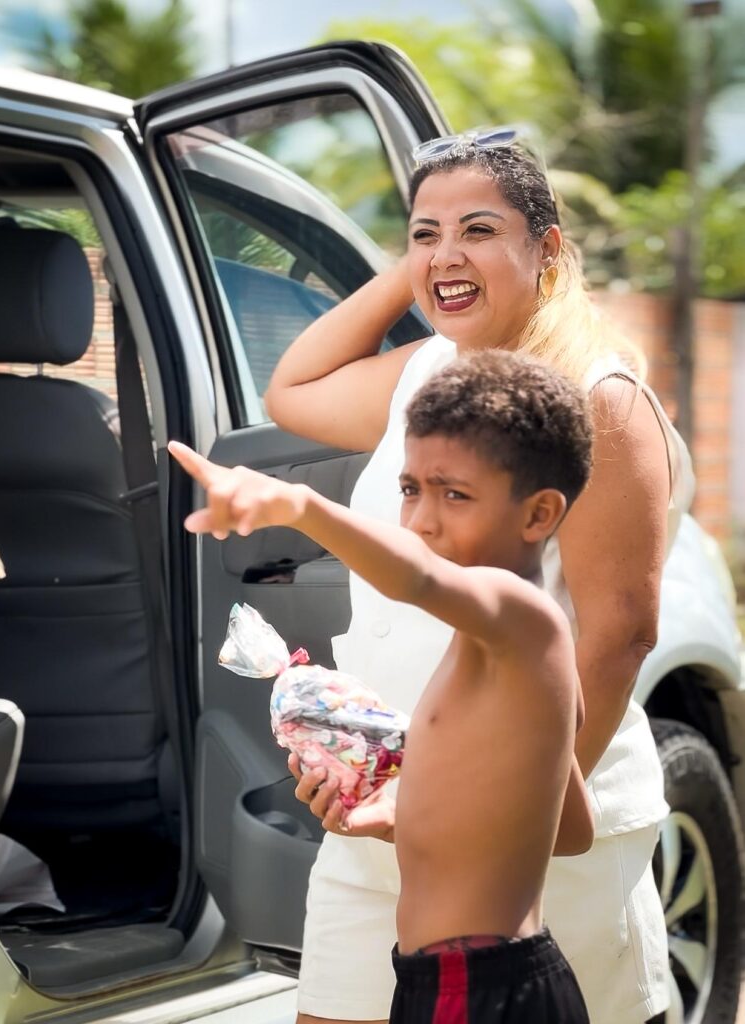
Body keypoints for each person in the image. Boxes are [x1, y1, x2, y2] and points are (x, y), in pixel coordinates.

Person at [263, 129, 692, 1024]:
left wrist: (514, 816)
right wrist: (428, 266)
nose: (446, 253)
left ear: (547, 249)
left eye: (480, 230)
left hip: (529, 841)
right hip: (384, 812)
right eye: (423, 232)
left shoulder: (598, 396)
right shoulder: (424, 371)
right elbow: (291, 389)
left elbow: (619, 635)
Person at [169, 348, 595, 1023]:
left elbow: (415, 577)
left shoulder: (525, 617)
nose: (421, 519)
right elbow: (569, 827)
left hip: (478, 988)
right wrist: (401, 820)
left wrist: (298, 505)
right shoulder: (504, 650)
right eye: (409, 489)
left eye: (454, 494)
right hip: (461, 979)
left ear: (539, 515)